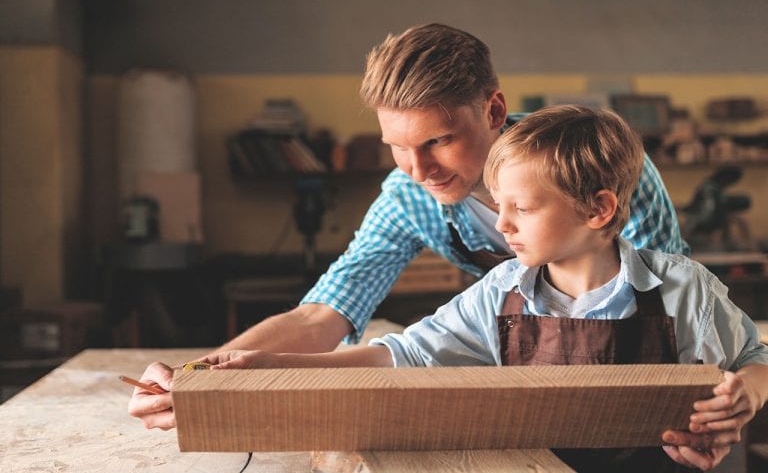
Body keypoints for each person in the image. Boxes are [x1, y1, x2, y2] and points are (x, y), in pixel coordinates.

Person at [128, 24, 687, 429]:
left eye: (437, 140)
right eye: (397, 147)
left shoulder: (599, 170)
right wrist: (202, 377)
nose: (419, 170)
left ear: (494, 112)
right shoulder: (407, 196)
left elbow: (669, 317)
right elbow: (324, 313)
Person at [202, 105, 768, 472]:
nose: (500, 225)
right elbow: (397, 356)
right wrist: (262, 364)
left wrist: (751, 392)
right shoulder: (500, 292)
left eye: (521, 208)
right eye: (500, 206)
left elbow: (755, 357)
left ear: (599, 210)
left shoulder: (682, 286)